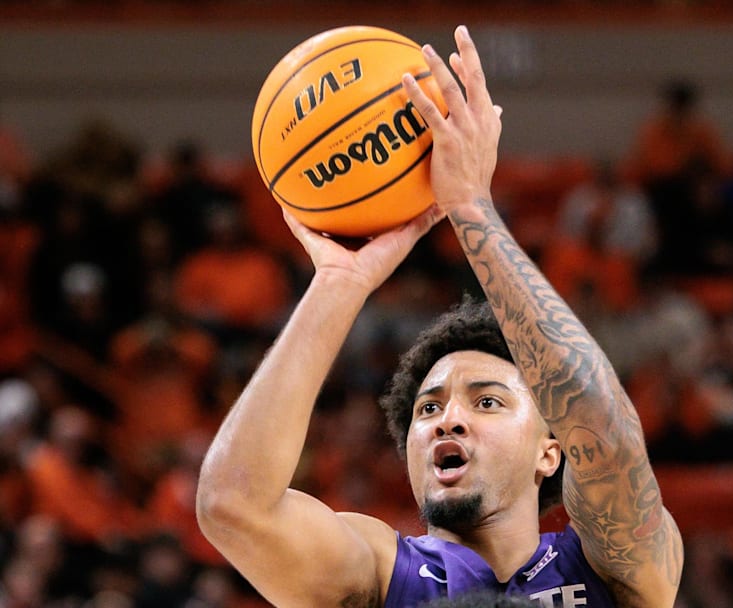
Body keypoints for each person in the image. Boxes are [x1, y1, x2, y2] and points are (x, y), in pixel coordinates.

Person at [196, 25, 683, 607]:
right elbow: (232, 504)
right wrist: (339, 283)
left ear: (550, 452)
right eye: (428, 408)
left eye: (487, 401)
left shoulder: (611, 568)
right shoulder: (379, 575)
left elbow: (605, 432)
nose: (445, 421)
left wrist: (471, 210)